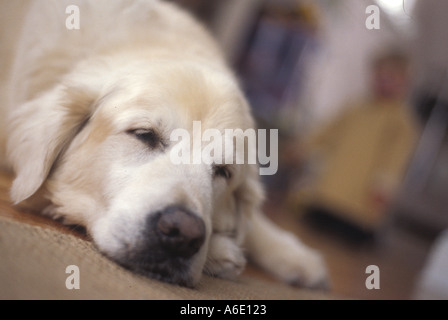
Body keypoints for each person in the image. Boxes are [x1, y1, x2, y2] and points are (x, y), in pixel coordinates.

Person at [291, 50, 420, 233]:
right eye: (379, 77)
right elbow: (325, 132)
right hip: (325, 195)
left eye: (391, 78)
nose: (383, 83)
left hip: (358, 210)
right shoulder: (356, 107)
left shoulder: (402, 123)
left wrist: (384, 188)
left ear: (404, 83)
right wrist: (302, 147)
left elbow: (395, 161)